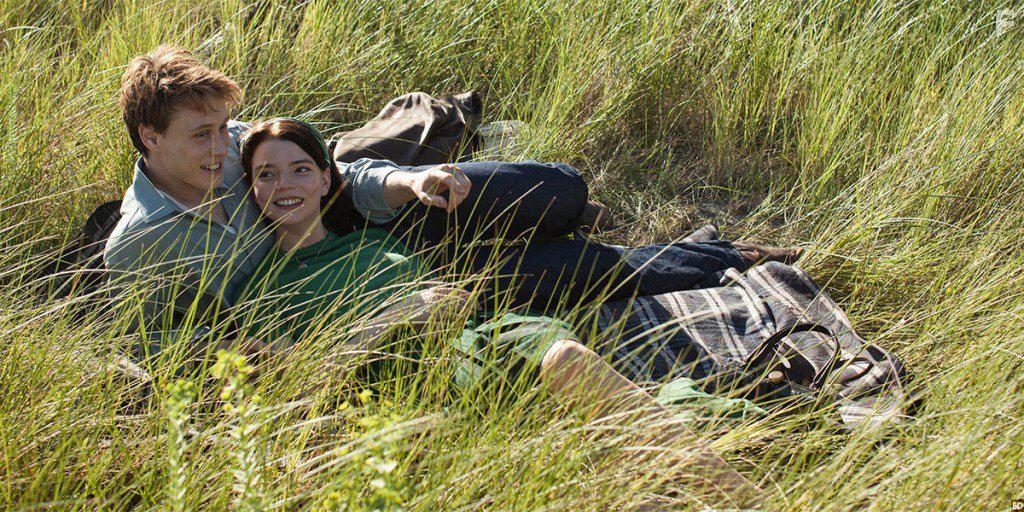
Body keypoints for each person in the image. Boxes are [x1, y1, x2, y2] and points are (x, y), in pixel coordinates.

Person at [236, 118, 766, 507]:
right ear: (251, 190)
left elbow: (451, 297)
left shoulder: (371, 239)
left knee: (567, 359)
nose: (285, 185)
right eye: (266, 175)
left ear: (326, 179)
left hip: (481, 340)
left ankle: (746, 499)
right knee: (593, 454)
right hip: (408, 388)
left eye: (300, 170)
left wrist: (440, 300)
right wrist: (399, 317)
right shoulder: (264, 289)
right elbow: (302, 374)